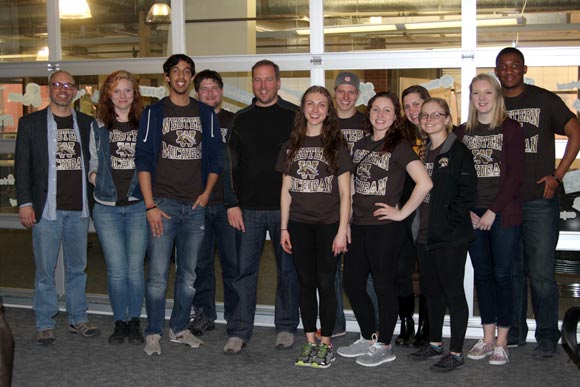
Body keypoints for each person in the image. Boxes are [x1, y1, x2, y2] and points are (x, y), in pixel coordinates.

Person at [135, 54, 223, 356]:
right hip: (163, 205)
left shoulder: (206, 114)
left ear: (191, 77)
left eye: (187, 71)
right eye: (176, 71)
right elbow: (143, 160)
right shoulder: (153, 113)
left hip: (194, 207)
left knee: (188, 276)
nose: (182, 76)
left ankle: (180, 328)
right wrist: (149, 206)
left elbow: (215, 158)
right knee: (158, 275)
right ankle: (154, 331)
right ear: (167, 77)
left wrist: (206, 193)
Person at [495, 47, 580, 358]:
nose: (508, 71)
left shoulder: (544, 100)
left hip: (538, 201)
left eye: (514, 65)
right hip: (505, 202)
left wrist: (557, 176)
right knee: (511, 269)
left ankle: (547, 335)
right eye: (502, 66)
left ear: (524, 68)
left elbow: (576, 132)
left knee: (541, 272)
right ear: (496, 71)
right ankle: (515, 331)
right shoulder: (492, 102)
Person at [337, 91, 432, 367]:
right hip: (360, 225)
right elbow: (354, 185)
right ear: (369, 114)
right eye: (376, 109)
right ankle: (368, 336)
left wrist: (401, 212)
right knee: (352, 283)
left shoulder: (400, 145)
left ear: (394, 116)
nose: (380, 115)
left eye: (387, 110)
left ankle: (385, 344)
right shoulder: (361, 145)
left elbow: (425, 183)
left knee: (383, 286)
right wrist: (349, 220)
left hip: (386, 229)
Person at [15, 70, 100, 345]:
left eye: (68, 85)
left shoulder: (88, 124)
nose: (63, 89)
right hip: (45, 210)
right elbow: (22, 167)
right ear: (49, 89)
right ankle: (44, 322)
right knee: (45, 270)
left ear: (75, 91)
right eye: (57, 85)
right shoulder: (30, 124)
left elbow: (96, 162)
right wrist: (26, 203)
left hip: (79, 209)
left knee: (78, 268)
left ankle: (78, 319)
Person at [223, 59, 300, 354]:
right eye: (258, 80)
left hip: (286, 209)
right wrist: (232, 203)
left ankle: (286, 326)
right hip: (249, 210)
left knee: (288, 272)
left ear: (278, 83)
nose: (263, 85)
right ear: (252, 83)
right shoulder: (240, 119)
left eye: (269, 79)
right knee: (244, 271)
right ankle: (239, 331)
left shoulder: (294, 116)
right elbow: (230, 165)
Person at [277, 85, 352, 368]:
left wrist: (343, 229)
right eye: (310, 103)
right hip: (299, 225)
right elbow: (286, 190)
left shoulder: (336, 146)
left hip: (328, 225)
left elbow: (346, 193)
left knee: (325, 282)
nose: (316, 109)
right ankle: (309, 341)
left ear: (328, 110)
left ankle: (326, 342)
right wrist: (284, 228)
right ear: (303, 109)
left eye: (322, 104)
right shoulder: (290, 146)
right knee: (305, 283)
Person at [455, 74, 524, 366]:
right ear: (470, 98)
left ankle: (502, 340)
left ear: (496, 96)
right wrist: (468, 209)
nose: (482, 99)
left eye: (487, 93)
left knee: (502, 276)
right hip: (472, 215)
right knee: (482, 276)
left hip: (503, 214)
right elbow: (455, 178)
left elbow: (515, 177)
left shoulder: (510, 129)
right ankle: (486, 337)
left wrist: (492, 211)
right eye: (476, 93)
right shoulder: (460, 133)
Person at [407, 97, 477, 372]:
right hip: (424, 235)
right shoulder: (424, 151)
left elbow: (467, 194)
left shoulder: (458, 151)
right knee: (431, 293)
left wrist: (447, 224)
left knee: (453, 294)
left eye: (436, 114)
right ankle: (435, 343)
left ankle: (457, 352)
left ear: (448, 119)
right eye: (425, 115)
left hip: (449, 237)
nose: (429, 119)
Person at [89, 70, 147, 345]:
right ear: (108, 95)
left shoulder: (144, 124)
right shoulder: (97, 126)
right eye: (117, 91)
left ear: (134, 94)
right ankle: (119, 321)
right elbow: (92, 163)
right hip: (106, 208)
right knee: (116, 270)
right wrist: (96, 179)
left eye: (128, 90)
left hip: (137, 206)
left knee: (135, 269)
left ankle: (134, 320)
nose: (123, 96)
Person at [189, 69, 238, 336]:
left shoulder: (234, 121)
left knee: (233, 264)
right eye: (204, 89)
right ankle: (204, 314)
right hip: (197, 206)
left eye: (215, 88)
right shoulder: (187, 122)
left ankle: (235, 317)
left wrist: (238, 202)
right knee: (200, 265)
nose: (210, 93)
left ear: (222, 91)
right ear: (197, 94)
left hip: (228, 206)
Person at [330, 71, 367, 338]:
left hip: (363, 204)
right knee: (330, 270)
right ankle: (335, 324)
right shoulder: (324, 121)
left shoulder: (368, 122)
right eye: (341, 91)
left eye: (350, 92)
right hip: (330, 204)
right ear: (334, 93)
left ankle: (372, 326)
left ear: (357, 94)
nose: (345, 96)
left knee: (363, 272)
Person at [397, 85, 432, 347]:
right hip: (405, 212)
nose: (412, 111)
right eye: (407, 106)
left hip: (431, 213)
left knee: (429, 271)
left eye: (416, 104)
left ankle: (426, 324)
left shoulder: (440, 134)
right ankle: (406, 321)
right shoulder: (398, 136)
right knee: (403, 270)